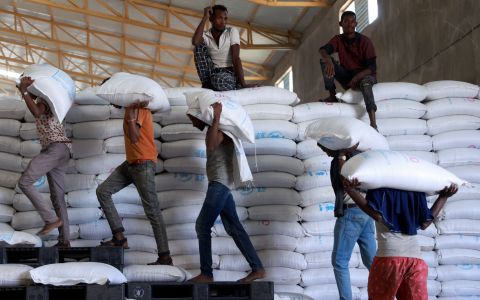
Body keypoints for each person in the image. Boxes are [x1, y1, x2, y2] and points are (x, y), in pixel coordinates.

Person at [187, 102, 265, 283]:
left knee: (202, 225)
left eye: (192, 119)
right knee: (234, 227)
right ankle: (258, 268)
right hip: (220, 185)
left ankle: (206, 273)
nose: (192, 123)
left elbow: (212, 146)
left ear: (201, 116)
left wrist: (216, 117)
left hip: (219, 185)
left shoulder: (221, 131)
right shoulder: (217, 129)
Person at [343, 178, 458, 300]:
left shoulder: (379, 190)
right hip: (416, 263)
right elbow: (425, 223)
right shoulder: (417, 192)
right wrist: (443, 197)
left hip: (388, 261)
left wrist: (352, 191)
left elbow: (377, 215)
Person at [96, 92, 172, 265]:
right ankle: (120, 238)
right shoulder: (131, 110)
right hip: (131, 164)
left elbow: (135, 136)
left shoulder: (137, 110)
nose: (110, 102)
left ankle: (165, 256)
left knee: (152, 210)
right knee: (103, 191)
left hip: (143, 165)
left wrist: (131, 115)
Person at [17, 76, 72, 248]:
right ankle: (65, 242)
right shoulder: (51, 101)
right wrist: (23, 92)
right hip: (63, 149)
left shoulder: (46, 100)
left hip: (54, 149)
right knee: (58, 197)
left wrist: (24, 90)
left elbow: (37, 112)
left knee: (25, 182)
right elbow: (35, 107)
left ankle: (50, 219)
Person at [319, 143, 376, 300]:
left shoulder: (343, 160)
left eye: (325, 148)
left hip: (351, 213)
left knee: (339, 262)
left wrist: (341, 155)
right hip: (367, 213)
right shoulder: (362, 158)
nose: (324, 152)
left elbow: (346, 179)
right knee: (373, 263)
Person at [319, 11, 378, 129]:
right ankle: (332, 96)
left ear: (356, 23)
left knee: (366, 83)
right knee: (324, 61)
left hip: (365, 76)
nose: (349, 24)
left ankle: (373, 123)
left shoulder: (365, 41)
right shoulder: (338, 40)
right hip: (348, 78)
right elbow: (323, 50)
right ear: (341, 24)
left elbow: (372, 68)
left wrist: (357, 78)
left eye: (352, 21)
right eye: (346, 21)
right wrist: (328, 59)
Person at [192, 5, 254, 91]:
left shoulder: (231, 32)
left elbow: (236, 58)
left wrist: (243, 84)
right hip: (211, 74)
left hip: (227, 74)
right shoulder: (205, 35)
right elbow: (195, 42)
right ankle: (207, 85)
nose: (223, 22)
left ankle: (234, 85)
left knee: (219, 80)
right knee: (198, 47)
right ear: (211, 19)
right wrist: (204, 17)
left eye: (225, 18)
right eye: (220, 18)